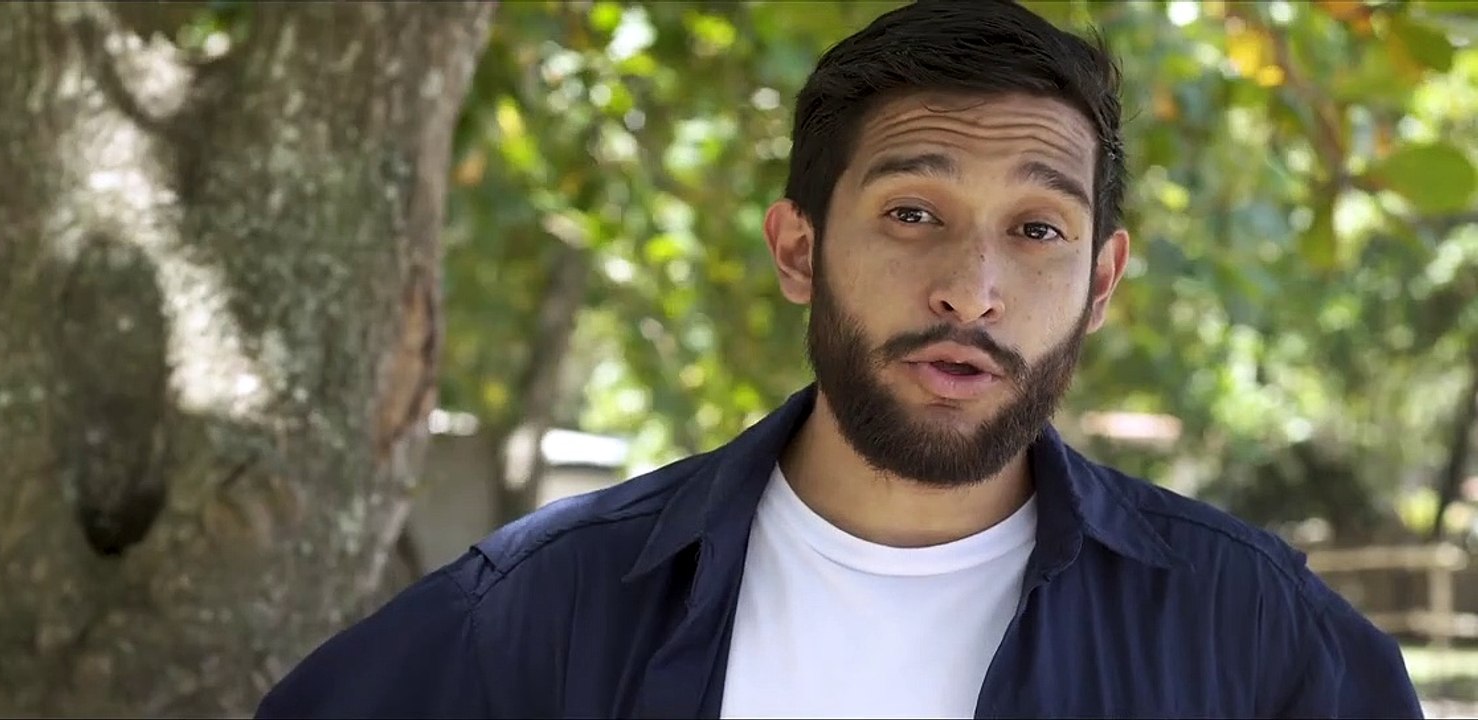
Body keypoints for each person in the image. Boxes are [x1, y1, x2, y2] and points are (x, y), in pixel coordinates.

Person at [256, 1, 1424, 717]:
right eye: (913, 212)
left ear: (1101, 282)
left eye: (1036, 230)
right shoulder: (543, 608)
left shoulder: (1248, 633)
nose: (971, 288)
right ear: (797, 248)